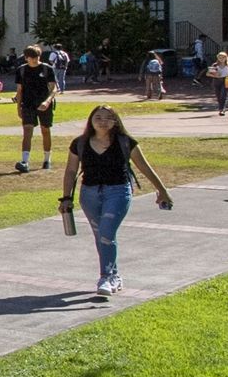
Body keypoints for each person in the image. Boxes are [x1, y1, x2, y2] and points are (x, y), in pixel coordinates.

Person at [59, 106, 174, 298]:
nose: (103, 121)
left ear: (116, 121)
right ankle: (114, 275)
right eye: (98, 117)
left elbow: (144, 167)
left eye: (108, 118)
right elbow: (71, 170)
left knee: (106, 232)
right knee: (101, 235)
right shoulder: (79, 143)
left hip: (118, 191)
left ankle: (106, 277)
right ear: (90, 120)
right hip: (89, 194)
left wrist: (162, 191)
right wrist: (66, 197)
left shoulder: (125, 142)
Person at [12, 45, 59, 172]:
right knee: (27, 131)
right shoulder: (21, 70)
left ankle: (47, 159)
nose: (35, 60)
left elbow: (54, 88)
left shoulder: (46, 68)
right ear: (26, 58)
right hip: (28, 105)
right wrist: (18, 107)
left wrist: (47, 102)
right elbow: (19, 90)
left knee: (45, 130)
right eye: (32, 58)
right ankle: (25, 161)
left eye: (37, 57)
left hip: (44, 104)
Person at [205, 50, 228, 115]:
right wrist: (215, 75)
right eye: (220, 57)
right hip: (217, 81)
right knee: (218, 95)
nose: (221, 59)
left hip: (227, 80)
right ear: (218, 58)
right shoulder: (215, 65)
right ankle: (221, 107)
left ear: (226, 58)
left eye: (223, 57)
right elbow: (208, 74)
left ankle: (221, 109)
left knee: (223, 95)